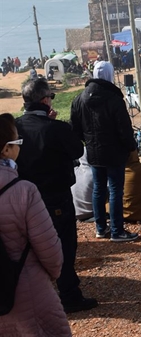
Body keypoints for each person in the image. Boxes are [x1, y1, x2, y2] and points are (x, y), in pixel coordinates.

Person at [15, 78, 98, 312]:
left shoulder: (14, 127)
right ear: (45, 100)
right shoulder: (58, 129)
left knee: (28, 248)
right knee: (62, 246)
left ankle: (34, 296)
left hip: (21, 197)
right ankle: (70, 295)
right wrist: (56, 126)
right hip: (55, 197)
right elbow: (77, 150)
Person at [0, 113, 72, 336]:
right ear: (6, 149)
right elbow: (50, 250)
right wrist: (52, 275)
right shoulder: (23, 190)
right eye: (17, 142)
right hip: (25, 289)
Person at [71, 60, 139, 243]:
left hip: (93, 152)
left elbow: (75, 129)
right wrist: (131, 147)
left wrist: (89, 141)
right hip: (115, 153)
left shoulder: (79, 99)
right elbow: (125, 129)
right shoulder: (115, 99)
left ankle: (101, 228)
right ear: (109, 75)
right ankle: (117, 231)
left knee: (99, 190)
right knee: (116, 190)